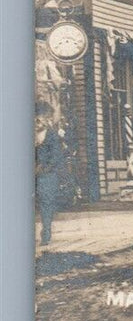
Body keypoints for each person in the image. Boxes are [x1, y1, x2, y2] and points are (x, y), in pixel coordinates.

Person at [35, 104, 66, 247]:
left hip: (47, 174)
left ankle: (46, 232)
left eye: (40, 120)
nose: (37, 123)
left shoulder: (52, 136)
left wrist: (45, 168)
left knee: (46, 202)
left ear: (47, 120)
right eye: (35, 119)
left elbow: (56, 157)